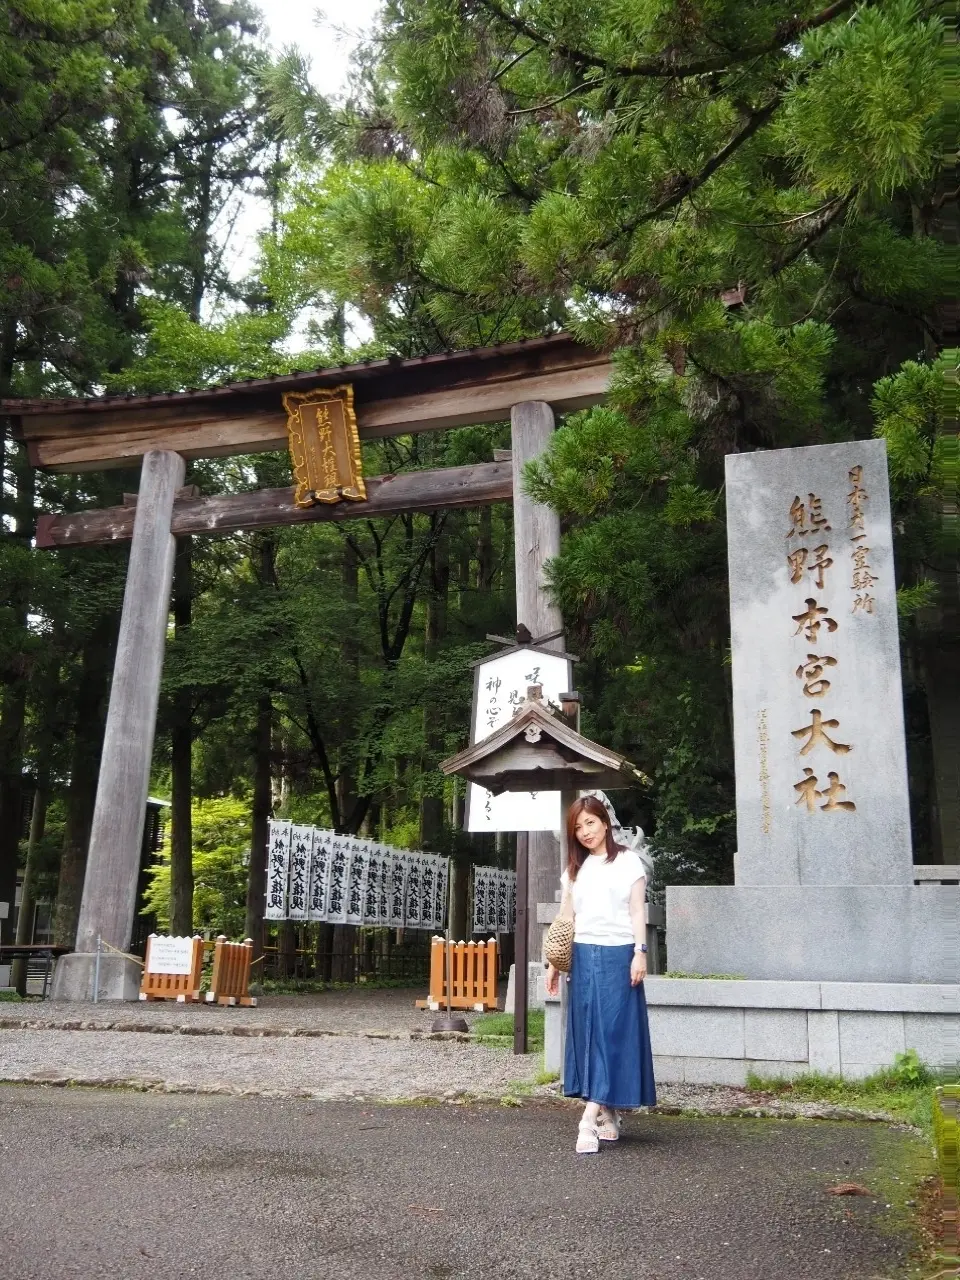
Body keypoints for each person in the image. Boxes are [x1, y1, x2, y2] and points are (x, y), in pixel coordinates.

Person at [545, 794, 657, 1153]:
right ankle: (607, 1112)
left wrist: (640, 954)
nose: (585, 832)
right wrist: (554, 962)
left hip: (619, 955)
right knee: (590, 1034)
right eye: (578, 827)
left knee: (611, 1033)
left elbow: (638, 913)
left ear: (605, 822)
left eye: (590, 823)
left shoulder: (629, 862)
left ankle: (586, 1119)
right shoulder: (574, 869)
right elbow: (566, 919)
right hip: (582, 956)